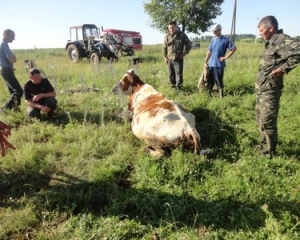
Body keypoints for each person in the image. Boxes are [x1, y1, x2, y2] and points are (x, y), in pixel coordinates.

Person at [255, 16, 300, 158]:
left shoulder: (281, 39)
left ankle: (268, 153)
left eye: (261, 30)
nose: (260, 33)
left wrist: (283, 69)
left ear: (270, 28)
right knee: (261, 119)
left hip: (270, 89)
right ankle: (263, 145)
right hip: (263, 88)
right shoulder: (271, 41)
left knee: (267, 120)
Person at [204, 24, 237, 98]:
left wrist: (225, 57)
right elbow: (209, 51)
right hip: (211, 64)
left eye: (215, 31)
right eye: (213, 31)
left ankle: (221, 96)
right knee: (209, 81)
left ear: (220, 30)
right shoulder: (213, 39)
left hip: (219, 65)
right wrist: (205, 61)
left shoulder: (225, 40)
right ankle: (209, 95)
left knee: (218, 81)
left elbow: (234, 48)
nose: (214, 33)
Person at [163, 21, 191, 90]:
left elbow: (188, 44)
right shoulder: (167, 36)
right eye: (170, 28)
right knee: (170, 74)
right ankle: (173, 87)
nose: (171, 29)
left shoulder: (182, 35)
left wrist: (184, 53)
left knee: (178, 73)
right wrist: (165, 57)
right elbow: (164, 47)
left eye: (173, 27)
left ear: (176, 27)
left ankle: (179, 87)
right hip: (169, 59)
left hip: (178, 58)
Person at [0, 29, 23, 110]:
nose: (14, 38)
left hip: (4, 70)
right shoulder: (4, 45)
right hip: (7, 70)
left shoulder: (3, 44)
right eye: (12, 36)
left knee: (13, 92)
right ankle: (5, 109)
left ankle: (16, 109)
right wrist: (14, 57)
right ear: (6, 35)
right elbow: (12, 59)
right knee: (19, 91)